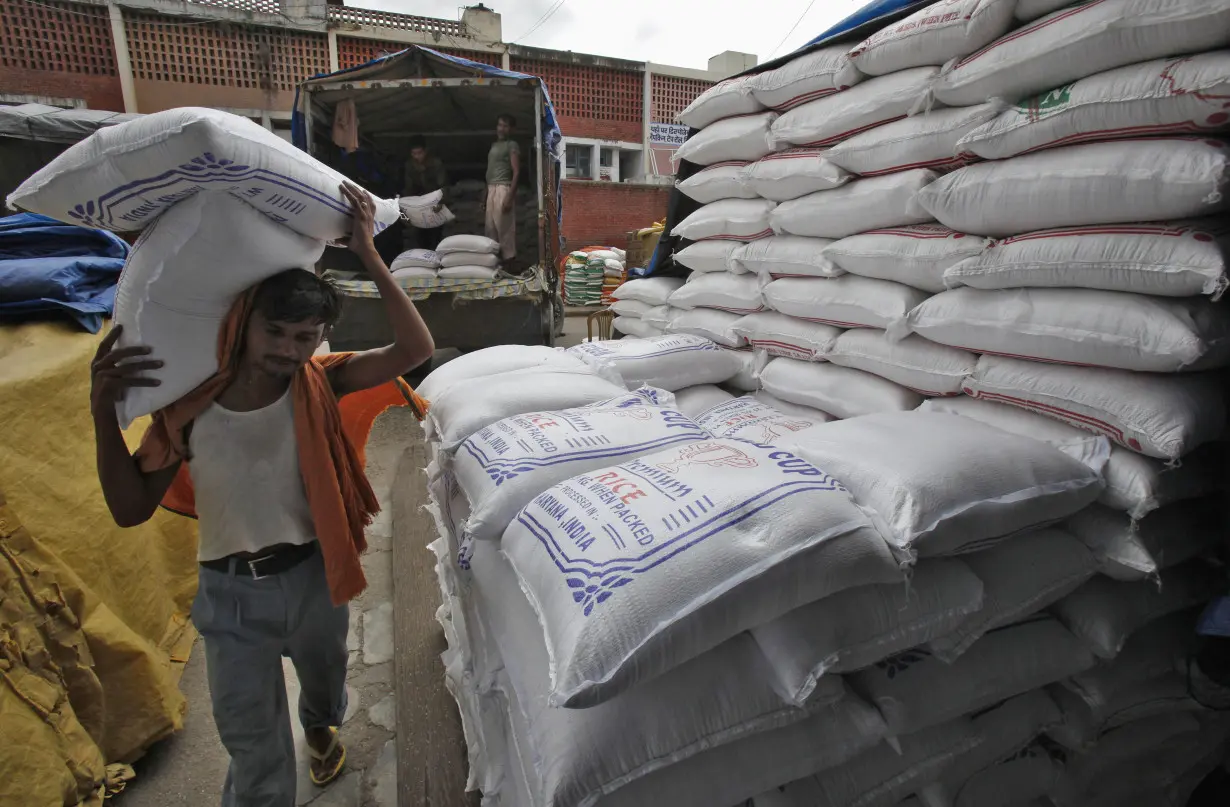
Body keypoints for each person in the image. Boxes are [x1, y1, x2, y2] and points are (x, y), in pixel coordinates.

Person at [90, 183, 434, 807]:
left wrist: (369, 254)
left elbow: (415, 351)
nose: (288, 349)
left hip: (312, 577)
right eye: (275, 332)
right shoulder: (190, 407)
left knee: (325, 685)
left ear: (321, 339)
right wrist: (101, 417)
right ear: (244, 325)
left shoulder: (321, 385)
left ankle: (321, 726)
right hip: (231, 597)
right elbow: (129, 507)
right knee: (254, 751)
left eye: (306, 337)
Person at [481, 113, 520, 265]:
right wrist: (485, 196)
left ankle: (510, 263)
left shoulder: (512, 145)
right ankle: (494, 264)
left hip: (503, 188)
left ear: (511, 129)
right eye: (499, 125)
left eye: (505, 126)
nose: (501, 129)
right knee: (490, 229)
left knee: (504, 230)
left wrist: (509, 196)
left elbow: (516, 172)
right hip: (491, 188)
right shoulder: (494, 145)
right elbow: (489, 172)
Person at [402, 135, 450, 251]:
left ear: (425, 151)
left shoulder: (436, 164)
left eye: (420, 153)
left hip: (434, 204)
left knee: (435, 238)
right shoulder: (410, 166)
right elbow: (408, 187)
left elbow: (443, 185)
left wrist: (440, 202)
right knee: (420, 238)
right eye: (414, 154)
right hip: (419, 206)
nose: (417, 156)